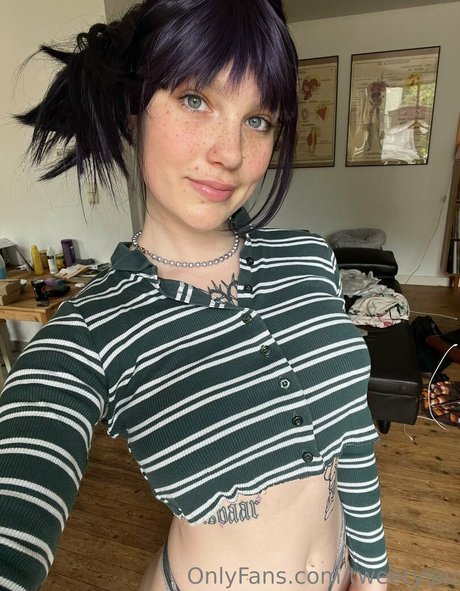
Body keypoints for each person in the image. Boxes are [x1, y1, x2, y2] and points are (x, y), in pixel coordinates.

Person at [1, 1, 389, 590]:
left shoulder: (309, 259)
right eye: (195, 100)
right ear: (133, 111)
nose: (230, 154)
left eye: (258, 119)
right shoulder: (90, 333)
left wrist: (372, 570)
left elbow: (353, 430)